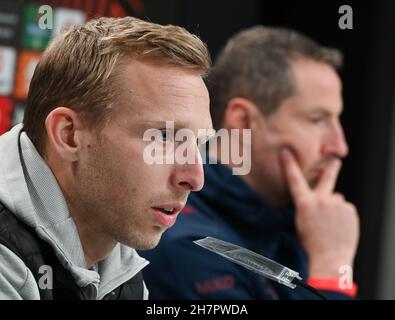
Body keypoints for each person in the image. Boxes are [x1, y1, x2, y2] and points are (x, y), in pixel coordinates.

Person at [0, 16, 212, 300]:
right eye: (163, 137)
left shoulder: (113, 238)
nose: (195, 178)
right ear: (69, 135)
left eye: (198, 144)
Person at [140, 26, 360, 299]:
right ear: (243, 121)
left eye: (336, 120)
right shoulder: (188, 246)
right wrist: (332, 267)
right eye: (317, 120)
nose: (339, 147)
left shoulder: (297, 224)